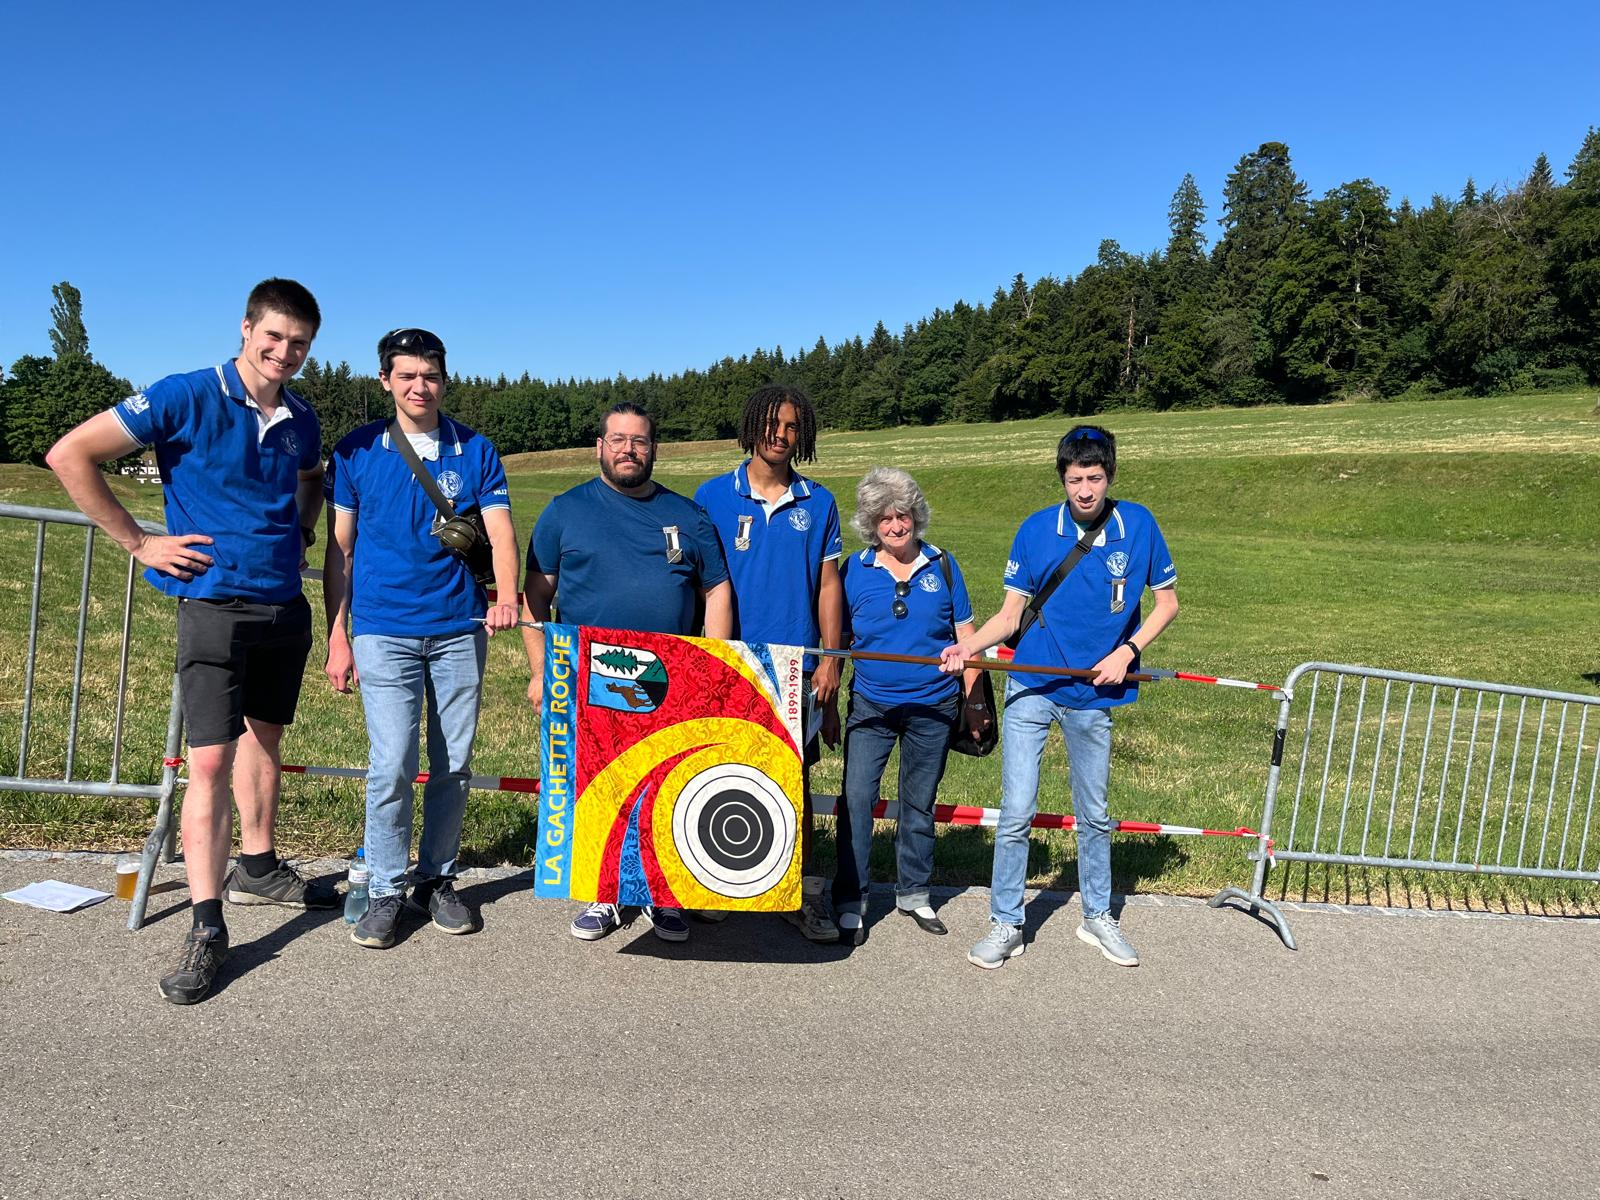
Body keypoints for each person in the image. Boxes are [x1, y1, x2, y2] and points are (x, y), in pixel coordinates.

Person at [45, 278, 331, 1005]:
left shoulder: (301, 416)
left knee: (265, 743)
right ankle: (207, 928)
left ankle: (258, 868)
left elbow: (310, 478)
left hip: (283, 605)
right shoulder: (184, 394)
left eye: (299, 343)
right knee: (209, 763)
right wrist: (139, 542)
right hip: (213, 605)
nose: (284, 352)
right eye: (274, 336)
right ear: (246, 329)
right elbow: (70, 454)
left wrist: (302, 528)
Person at [941, 425, 1178, 970]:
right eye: (1074, 480)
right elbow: (1009, 616)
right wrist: (967, 648)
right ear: (1062, 479)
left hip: (1094, 692)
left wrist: (1127, 652)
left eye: (1094, 478)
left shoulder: (1139, 525)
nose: (1085, 490)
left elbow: (1167, 604)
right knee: (1016, 811)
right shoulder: (1035, 530)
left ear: (1110, 476)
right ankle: (1006, 923)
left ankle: (1097, 916)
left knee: (1094, 813)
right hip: (1032, 685)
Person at [322, 328, 521, 949]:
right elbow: (340, 550)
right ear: (385, 380)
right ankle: (385, 887)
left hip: (459, 627)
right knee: (392, 765)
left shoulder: (475, 449)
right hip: (383, 628)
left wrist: (506, 596)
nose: (419, 387)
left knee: (453, 764)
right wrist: (337, 635)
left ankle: (436, 878)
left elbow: (501, 531)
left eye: (430, 376)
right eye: (406, 375)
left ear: (444, 380)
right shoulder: (356, 451)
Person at [522, 402, 732, 943]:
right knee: (600, 786)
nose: (628, 450)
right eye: (617, 439)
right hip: (587, 676)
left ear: (653, 449)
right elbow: (535, 598)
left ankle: (663, 892)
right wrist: (542, 669)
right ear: (600, 446)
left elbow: (716, 590)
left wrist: (712, 667)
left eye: (638, 441)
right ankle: (607, 892)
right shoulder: (564, 512)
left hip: (671, 677)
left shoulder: (689, 516)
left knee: (667, 785)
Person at [693, 384, 844, 943]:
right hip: (730, 662)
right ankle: (720, 888)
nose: (780, 435)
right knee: (722, 773)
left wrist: (830, 659)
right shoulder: (712, 495)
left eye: (791, 426)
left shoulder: (819, 501)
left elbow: (828, 587)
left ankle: (796, 893)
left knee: (791, 781)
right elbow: (696, 582)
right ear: (751, 426)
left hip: (794, 667)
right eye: (771, 424)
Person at [832, 468, 988, 945]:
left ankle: (915, 893)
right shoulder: (854, 570)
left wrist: (975, 702)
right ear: (870, 523)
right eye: (885, 518)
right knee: (857, 799)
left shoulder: (943, 564)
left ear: (916, 516)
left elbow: (967, 636)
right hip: (871, 706)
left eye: (903, 516)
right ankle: (851, 899)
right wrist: (829, 704)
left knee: (918, 802)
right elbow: (838, 640)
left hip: (933, 706)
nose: (896, 526)